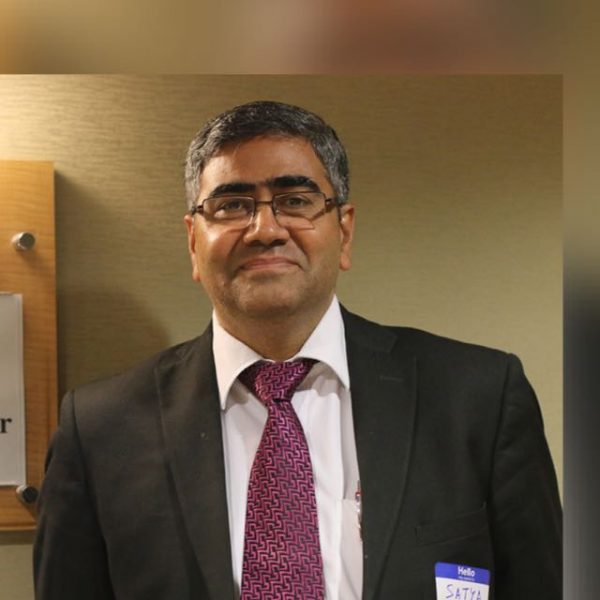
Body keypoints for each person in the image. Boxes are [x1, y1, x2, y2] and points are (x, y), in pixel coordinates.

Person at [33, 100, 562, 599]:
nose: (265, 229)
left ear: (344, 232)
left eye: (295, 201)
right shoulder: (99, 430)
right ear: (194, 242)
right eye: (232, 205)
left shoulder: (479, 398)